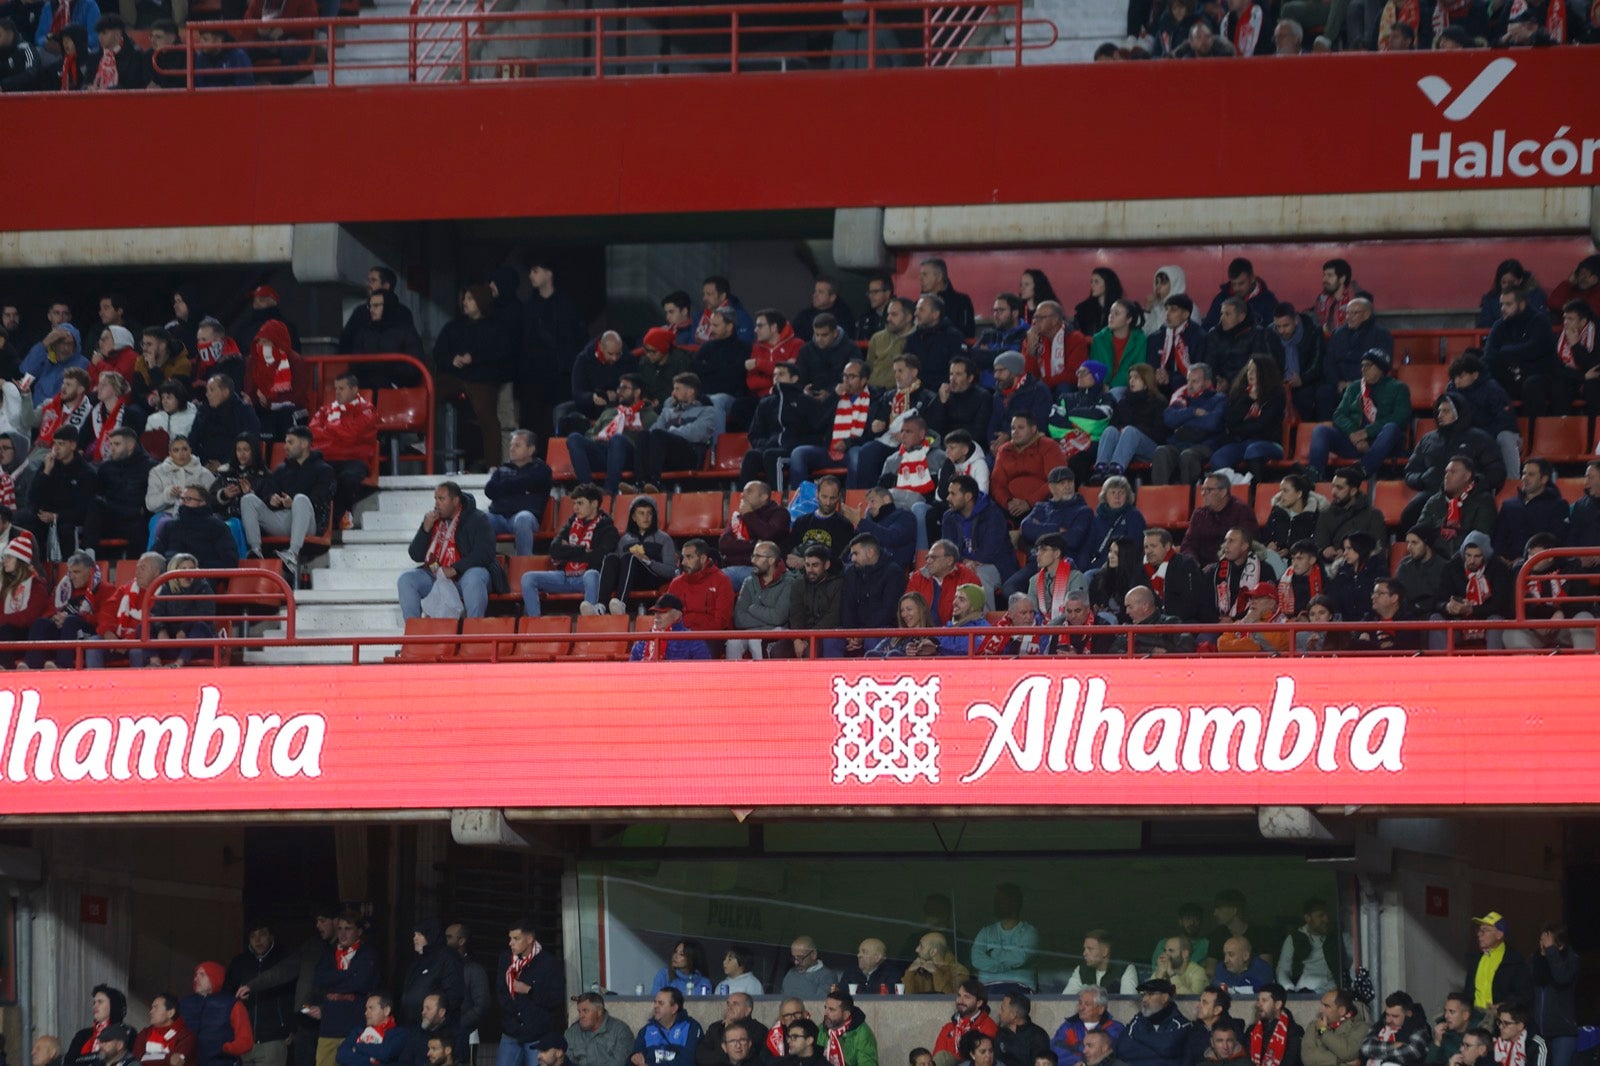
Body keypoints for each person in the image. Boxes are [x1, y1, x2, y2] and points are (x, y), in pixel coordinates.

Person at [398, 481, 502, 620]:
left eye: (441, 499)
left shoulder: (477, 519)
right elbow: (415, 555)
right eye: (435, 499)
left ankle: (474, 633)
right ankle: (414, 635)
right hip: (438, 575)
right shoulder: (432, 520)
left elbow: (485, 552)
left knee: (474, 577)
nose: (437, 504)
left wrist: (455, 569)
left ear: (455, 501)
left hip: (465, 575)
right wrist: (425, 529)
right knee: (407, 579)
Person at [435, 286, 508, 470]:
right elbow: (439, 352)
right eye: (464, 298)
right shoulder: (454, 327)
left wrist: (473, 359)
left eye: (470, 298)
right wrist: (452, 360)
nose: (465, 302)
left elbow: (499, 355)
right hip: (455, 377)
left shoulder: (495, 328)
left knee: (487, 417)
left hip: (482, 380)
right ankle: (422, 442)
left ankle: (493, 465)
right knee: (431, 392)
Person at [522, 483, 611, 616]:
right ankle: (535, 628)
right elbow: (554, 550)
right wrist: (582, 550)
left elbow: (600, 556)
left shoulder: (607, 528)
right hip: (564, 576)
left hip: (586, 577)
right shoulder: (570, 525)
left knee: (592, 575)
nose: (575, 508)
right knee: (528, 578)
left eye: (580, 503)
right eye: (574, 503)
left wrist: (568, 551)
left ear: (594, 504)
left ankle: (590, 623)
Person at [306, 373, 377, 531]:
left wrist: (329, 428)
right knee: (312, 472)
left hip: (355, 459)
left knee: (347, 478)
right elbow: (313, 431)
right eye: (336, 388)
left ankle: (339, 516)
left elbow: (352, 434)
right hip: (328, 457)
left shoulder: (367, 410)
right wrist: (339, 430)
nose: (337, 392)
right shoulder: (326, 410)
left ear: (354, 389)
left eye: (342, 388)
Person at [567, 373, 657, 496]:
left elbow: (650, 444)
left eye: (624, 388)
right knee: (574, 438)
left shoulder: (649, 416)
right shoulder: (609, 412)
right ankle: (587, 490)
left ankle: (609, 491)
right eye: (619, 388)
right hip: (603, 452)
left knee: (617, 439)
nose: (619, 392)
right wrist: (599, 438)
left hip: (628, 457)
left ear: (637, 392)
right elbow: (589, 435)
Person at [1485, 284, 1562, 419]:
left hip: (1539, 376)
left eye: (1508, 304)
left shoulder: (1539, 322)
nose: (1503, 309)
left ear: (1521, 304)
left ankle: (1535, 434)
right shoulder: (1499, 325)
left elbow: (1535, 350)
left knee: (1533, 385)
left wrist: (1504, 353)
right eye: (1501, 304)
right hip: (1509, 377)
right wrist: (1514, 357)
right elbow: (1489, 355)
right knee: (1487, 381)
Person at [226, 923, 296, 1066]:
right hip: (244, 1037)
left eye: (262, 934)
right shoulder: (239, 962)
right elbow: (226, 996)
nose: (257, 940)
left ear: (271, 936)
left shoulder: (284, 960)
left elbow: (294, 995)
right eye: (253, 936)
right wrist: (236, 996)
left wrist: (291, 1027)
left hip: (273, 1039)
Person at [595, 496, 677, 617]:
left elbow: (671, 571)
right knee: (611, 557)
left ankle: (621, 604)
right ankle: (600, 606)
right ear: (633, 517)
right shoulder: (624, 540)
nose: (646, 517)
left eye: (649, 513)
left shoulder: (664, 539)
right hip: (629, 580)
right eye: (641, 513)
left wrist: (648, 561)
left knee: (630, 557)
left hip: (652, 579)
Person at [633, 373, 717, 491]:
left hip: (690, 455)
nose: (673, 393)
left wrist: (671, 432)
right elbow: (654, 430)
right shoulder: (668, 411)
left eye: (677, 389)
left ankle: (655, 483)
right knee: (643, 435)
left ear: (690, 392)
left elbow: (696, 433)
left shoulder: (707, 411)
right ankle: (639, 483)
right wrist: (666, 434)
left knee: (659, 435)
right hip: (666, 455)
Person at [498, 921, 566, 1066]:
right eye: (510, 938)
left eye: (516, 939)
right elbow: (501, 992)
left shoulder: (547, 962)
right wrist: (513, 1014)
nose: (511, 943)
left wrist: (529, 990)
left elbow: (556, 998)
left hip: (537, 1034)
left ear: (529, 939)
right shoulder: (506, 959)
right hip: (510, 1031)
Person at [1150, 363, 1227, 485]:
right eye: (1188, 381)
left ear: (1207, 383)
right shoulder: (1182, 398)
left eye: (1195, 381)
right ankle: (1161, 496)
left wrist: (1183, 422)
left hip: (1205, 444)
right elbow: (1168, 419)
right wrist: (1193, 412)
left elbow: (1212, 423)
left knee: (1188, 456)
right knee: (1161, 451)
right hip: (1179, 443)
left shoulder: (1219, 399)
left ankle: (1189, 499)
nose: (1189, 386)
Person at [483, 429, 552, 557]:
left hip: (526, 518)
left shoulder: (541, 470)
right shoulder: (502, 469)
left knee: (523, 518)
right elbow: (490, 490)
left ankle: (523, 565)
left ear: (530, 450)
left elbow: (533, 482)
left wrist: (504, 488)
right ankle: (486, 564)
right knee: (480, 518)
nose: (512, 449)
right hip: (499, 517)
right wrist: (521, 488)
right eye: (511, 445)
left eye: (517, 445)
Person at [718, 480, 790, 591]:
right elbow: (724, 544)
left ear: (764, 497)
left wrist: (748, 515)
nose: (743, 495)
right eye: (743, 491)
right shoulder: (740, 516)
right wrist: (755, 544)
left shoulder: (780, 513)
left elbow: (767, 535)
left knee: (715, 579)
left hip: (762, 571)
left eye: (749, 491)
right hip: (734, 566)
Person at [181, 962, 256, 1066]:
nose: (196, 979)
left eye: (202, 974)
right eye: (196, 975)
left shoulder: (232, 1004)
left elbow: (246, 1041)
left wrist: (225, 1048)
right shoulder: (185, 1004)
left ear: (214, 977)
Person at [1494, 459, 1568, 563]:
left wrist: (1527, 559)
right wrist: (1502, 559)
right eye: (1524, 473)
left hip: (1541, 565)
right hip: (1507, 567)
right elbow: (1499, 538)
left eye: (1531, 474)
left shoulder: (1557, 506)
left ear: (1544, 479)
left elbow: (1556, 540)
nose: (1525, 478)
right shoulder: (1509, 505)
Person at [970, 884, 1038, 995]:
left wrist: (992, 954)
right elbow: (976, 959)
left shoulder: (1030, 932)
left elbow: (1020, 958)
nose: (996, 905)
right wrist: (1005, 965)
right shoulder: (986, 932)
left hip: (1019, 987)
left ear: (1015, 903)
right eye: (996, 901)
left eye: (1001, 900)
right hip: (987, 987)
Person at [727, 541, 790, 661]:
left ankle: (762, 677)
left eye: (758, 557)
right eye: (753, 556)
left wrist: (753, 608)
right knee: (732, 643)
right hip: (754, 629)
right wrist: (765, 621)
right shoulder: (748, 581)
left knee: (755, 639)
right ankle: (733, 679)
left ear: (771, 560)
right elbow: (739, 619)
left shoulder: (789, 582)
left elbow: (779, 617)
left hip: (780, 630)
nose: (753, 560)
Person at [189, 374, 262, 468]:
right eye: (207, 390)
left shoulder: (244, 411)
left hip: (235, 466)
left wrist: (225, 464)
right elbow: (193, 440)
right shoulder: (203, 411)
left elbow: (250, 442)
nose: (207, 394)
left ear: (225, 392)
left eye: (211, 390)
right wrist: (203, 463)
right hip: (203, 467)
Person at [1184, 475, 1259, 564]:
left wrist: (1215, 567)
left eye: (1208, 490)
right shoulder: (1199, 514)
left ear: (1223, 492)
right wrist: (1193, 562)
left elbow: (1246, 545)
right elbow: (1188, 544)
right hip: (1201, 568)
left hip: (1231, 568)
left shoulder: (1242, 511)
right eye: (1202, 489)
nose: (1203, 493)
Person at [666, 538, 735, 635]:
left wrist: (692, 630)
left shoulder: (722, 581)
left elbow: (721, 622)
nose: (683, 562)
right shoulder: (676, 583)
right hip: (682, 636)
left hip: (714, 636)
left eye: (689, 557)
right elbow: (668, 616)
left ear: (703, 559)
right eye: (683, 557)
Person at [1467, 912, 1531, 1011]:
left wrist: (1502, 1007)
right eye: (1479, 930)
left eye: (1485, 930)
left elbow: (1524, 996)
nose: (1479, 934)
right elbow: (1468, 992)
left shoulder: (1515, 961)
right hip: (1475, 1018)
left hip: (1501, 1020)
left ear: (1499, 934)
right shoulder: (1475, 959)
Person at [1117, 980, 1187, 1066]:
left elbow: (1167, 1049)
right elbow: (1122, 1049)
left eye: (1150, 994)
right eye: (1143, 995)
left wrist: (1139, 1036)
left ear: (1165, 997)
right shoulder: (1138, 1020)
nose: (1144, 999)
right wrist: (1160, 1050)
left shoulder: (1181, 1024)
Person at [1276, 900, 1339, 995]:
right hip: (1304, 991)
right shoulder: (1294, 938)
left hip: (1333, 991)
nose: (1326, 920)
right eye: (1321, 916)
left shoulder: (1337, 937)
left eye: (1327, 915)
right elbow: (1283, 969)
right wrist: (1289, 989)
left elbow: (1356, 959)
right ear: (1307, 918)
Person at [1051, 990, 1126, 1066]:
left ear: (1100, 1009)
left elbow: (1108, 1054)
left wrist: (1081, 1060)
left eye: (1087, 1004)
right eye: (1080, 1003)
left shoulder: (1115, 1028)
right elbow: (1056, 1053)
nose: (1081, 1008)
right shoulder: (1067, 1026)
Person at [932, 980, 998, 1066]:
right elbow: (937, 1058)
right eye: (959, 996)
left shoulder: (988, 1026)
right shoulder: (949, 1027)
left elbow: (984, 1059)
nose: (960, 1001)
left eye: (966, 997)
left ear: (979, 1003)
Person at [630, 990, 702, 1066]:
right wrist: (634, 1058)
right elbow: (633, 1059)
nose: (655, 1006)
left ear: (674, 1008)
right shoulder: (646, 1030)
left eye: (661, 1003)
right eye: (655, 1002)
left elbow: (688, 1062)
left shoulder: (691, 1028)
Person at [1203, 259, 1278, 331]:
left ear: (1252, 278)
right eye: (1233, 284)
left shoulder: (1268, 301)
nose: (1237, 288)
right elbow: (1207, 328)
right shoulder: (1221, 299)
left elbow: (1274, 332)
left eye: (1241, 283)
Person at [1358, 994, 1431, 1066]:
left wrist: (1376, 1054)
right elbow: (1366, 1048)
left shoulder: (1419, 1026)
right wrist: (1393, 1045)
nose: (1389, 1020)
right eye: (1387, 1014)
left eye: (1395, 1016)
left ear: (1408, 1014)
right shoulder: (1382, 1022)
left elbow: (1412, 1051)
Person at [332, 995, 403, 1066]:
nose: (366, 1013)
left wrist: (357, 1047)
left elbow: (385, 1053)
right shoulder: (358, 1031)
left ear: (386, 1011)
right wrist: (370, 1060)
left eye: (371, 1008)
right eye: (366, 1009)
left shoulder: (399, 1034)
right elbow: (341, 1056)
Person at [567, 993, 634, 1066]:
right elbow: (566, 1060)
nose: (581, 1016)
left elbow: (620, 1062)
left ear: (599, 1011)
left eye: (585, 1011)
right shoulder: (572, 1032)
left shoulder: (620, 1031)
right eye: (579, 1012)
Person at [1063, 931, 1139, 995]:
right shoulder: (1081, 970)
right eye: (1085, 949)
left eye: (1090, 949)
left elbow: (1128, 1005)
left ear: (1105, 952)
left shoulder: (1125, 969)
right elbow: (1064, 1001)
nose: (1084, 953)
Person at [1243, 986, 1301, 1066]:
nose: (1258, 1004)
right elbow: (1246, 1059)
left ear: (1277, 1005)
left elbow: (1291, 1061)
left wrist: (1321, 1030)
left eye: (1264, 1000)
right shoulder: (1252, 1030)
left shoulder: (1293, 1031)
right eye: (1258, 1000)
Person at [918, 258, 976, 338]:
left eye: (924, 274)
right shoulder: (917, 305)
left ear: (939, 277)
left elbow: (967, 333)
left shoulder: (962, 302)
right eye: (920, 274)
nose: (920, 278)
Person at [1302, 991, 1363, 1066]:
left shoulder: (1360, 1027)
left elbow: (1347, 1053)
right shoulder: (1314, 1026)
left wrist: (1323, 1031)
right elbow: (1307, 1058)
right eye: (1321, 1004)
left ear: (1342, 1011)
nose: (1320, 1010)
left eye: (1326, 1006)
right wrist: (1340, 1061)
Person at [136, 993, 197, 1066]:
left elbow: (176, 1062)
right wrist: (168, 1058)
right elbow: (138, 1058)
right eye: (152, 1008)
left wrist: (147, 1057)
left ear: (170, 1013)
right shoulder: (145, 1033)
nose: (151, 1012)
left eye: (156, 1008)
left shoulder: (186, 1037)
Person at [821, 991, 877, 1066]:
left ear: (846, 1015)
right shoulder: (822, 1029)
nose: (825, 1013)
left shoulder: (862, 1033)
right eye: (825, 1008)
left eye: (831, 1009)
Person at [1428, 995, 1484, 1066]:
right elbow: (1430, 1063)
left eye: (1452, 1012)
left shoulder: (1480, 1033)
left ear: (1465, 1015)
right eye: (1445, 1011)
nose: (1446, 1016)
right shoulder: (1443, 1033)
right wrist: (1437, 1041)